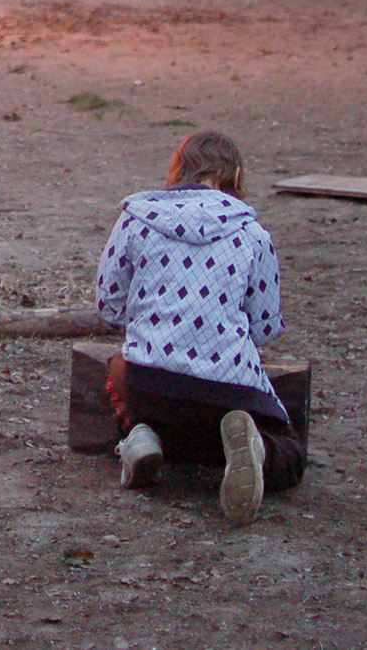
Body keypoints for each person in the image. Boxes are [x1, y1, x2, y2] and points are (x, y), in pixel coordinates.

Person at [96, 130, 304, 526]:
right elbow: (264, 327)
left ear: (177, 170)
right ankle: (260, 451)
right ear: (236, 175)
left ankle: (139, 435)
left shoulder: (136, 218)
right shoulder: (252, 232)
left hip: (149, 383)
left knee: (116, 367)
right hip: (227, 390)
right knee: (292, 449)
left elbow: (108, 305)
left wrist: (152, 326)